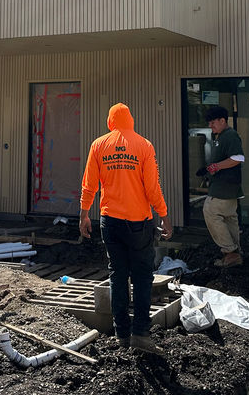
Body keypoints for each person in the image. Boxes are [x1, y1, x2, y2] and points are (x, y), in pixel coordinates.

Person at [79, 102, 172, 355]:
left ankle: (121, 333)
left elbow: (90, 185)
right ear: (131, 120)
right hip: (139, 223)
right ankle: (140, 333)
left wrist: (84, 215)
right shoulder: (143, 145)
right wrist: (164, 216)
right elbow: (153, 188)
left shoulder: (99, 145)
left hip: (110, 221)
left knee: (117, 274)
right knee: (142, 276)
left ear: (110, 122)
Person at [200, 105, 244, 267]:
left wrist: (217, 167)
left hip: (224, 186)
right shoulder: (221, 136)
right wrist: (209, 169)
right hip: (228, 185)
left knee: (210, 211)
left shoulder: (229, 136)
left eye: (213, 123)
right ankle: (235, 253)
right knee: (229, 217)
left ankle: (229, 251)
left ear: (222, 120)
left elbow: (238, 158)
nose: (210, 126)